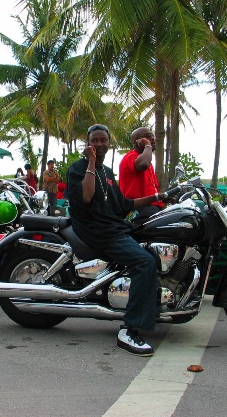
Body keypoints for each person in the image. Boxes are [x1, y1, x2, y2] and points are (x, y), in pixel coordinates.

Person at [67, 124, 169, 356]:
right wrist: (91, 162)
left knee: (153, 255)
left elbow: (123, 205)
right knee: (143, 262)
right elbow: (86, 196)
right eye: (95, 141)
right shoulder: (78, 168)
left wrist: (158, 197)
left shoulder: (108, 173)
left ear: (109, 144)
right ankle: (129, 329)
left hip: (114, 227)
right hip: (97, 231)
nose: (99, 144)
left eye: (103, 140)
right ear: (88, 144)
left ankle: (150, 311)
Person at [118, 127, 164, 220]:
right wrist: (148, 145)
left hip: (151, 207)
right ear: (137, 141)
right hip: (140, 208)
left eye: (153, 136)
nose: (152, 139)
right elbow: (143, 165)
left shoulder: (147, 161)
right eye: (148, 137)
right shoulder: (131, 157)